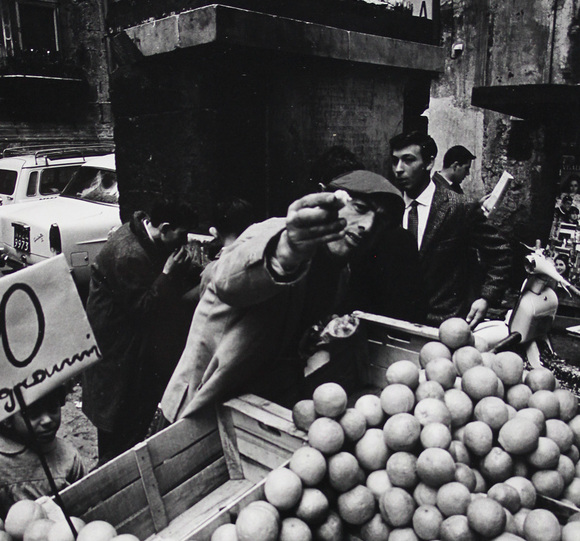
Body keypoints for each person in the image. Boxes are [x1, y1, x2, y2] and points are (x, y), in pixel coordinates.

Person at [159, 171, 425, 424]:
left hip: (259, 410)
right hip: (202, 406)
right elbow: (227, 281)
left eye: (380, 221)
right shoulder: (276, 232)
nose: (367, 226)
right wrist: (286, 251)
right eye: (359, 207)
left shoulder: (340, 272)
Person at [82, 199, 200, 463]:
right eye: (181, 235)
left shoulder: (149, 236)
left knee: (134, 418)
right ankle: (113, 479)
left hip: (131, 349)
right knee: (118, 428)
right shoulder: (128, 255)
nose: (184, 242)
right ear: (165, 228)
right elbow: (142, 310)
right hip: (115, 354)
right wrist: (168, 274)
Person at [390, 131, 511, 328]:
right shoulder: (388, 208)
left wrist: (486, 297)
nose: (399, 169)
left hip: (444, 324)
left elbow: (500, 253)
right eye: (395, 161)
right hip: (395, 322)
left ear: (429, 163)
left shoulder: (459, 207)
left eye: (408, 160)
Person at [0, 388, 85, 512]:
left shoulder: (68, 457)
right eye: (34, 413)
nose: (47, 420)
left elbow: (85, 500)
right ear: (6, 419)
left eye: (53, 408)